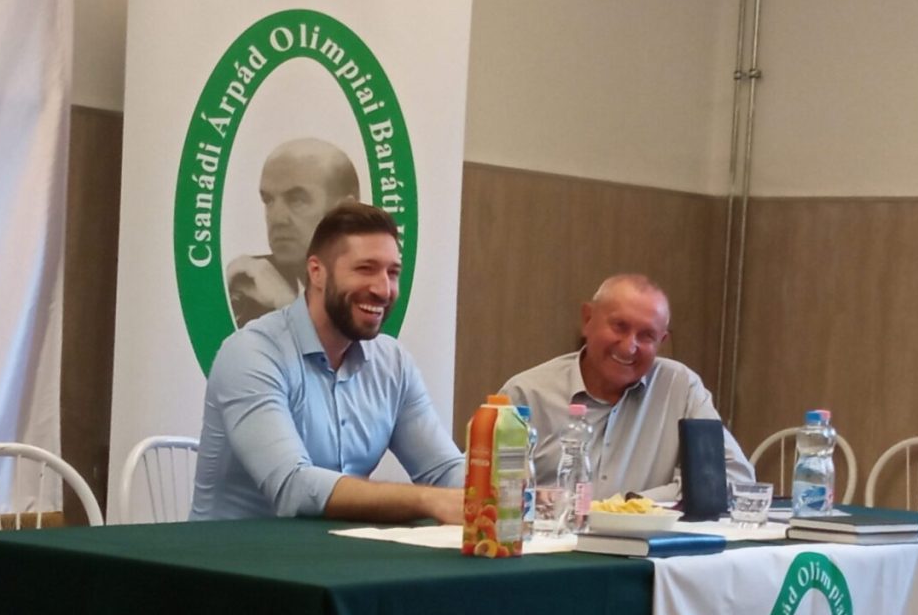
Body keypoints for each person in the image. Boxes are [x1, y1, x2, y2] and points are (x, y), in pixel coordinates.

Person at [191, 201, 464, 522]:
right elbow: (292, 487)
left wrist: (497, 491)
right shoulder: (250, 353)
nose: (383, 289)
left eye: (392, 273)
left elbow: (443, 469)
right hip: (233, 552)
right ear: (316, 272)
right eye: (365, 269)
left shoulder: (393, 362)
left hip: (340, 550)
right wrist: (429, 500)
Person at [500, 274, 754, 502]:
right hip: (554, 537)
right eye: (619, 327)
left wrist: (634, 504)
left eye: (647, 336)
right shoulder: (526, 395)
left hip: (650, 540)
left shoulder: (680, 388)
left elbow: (734, 478)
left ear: (661, 341)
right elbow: (491, 491)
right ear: (587, 320)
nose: (629, 347)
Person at [227, 137, 360, 327]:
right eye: (268, 200)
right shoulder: (247, 288)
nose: (277, 218)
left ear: (345, 213)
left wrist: (286, 305)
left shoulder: (372, 288)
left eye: (297, 200)